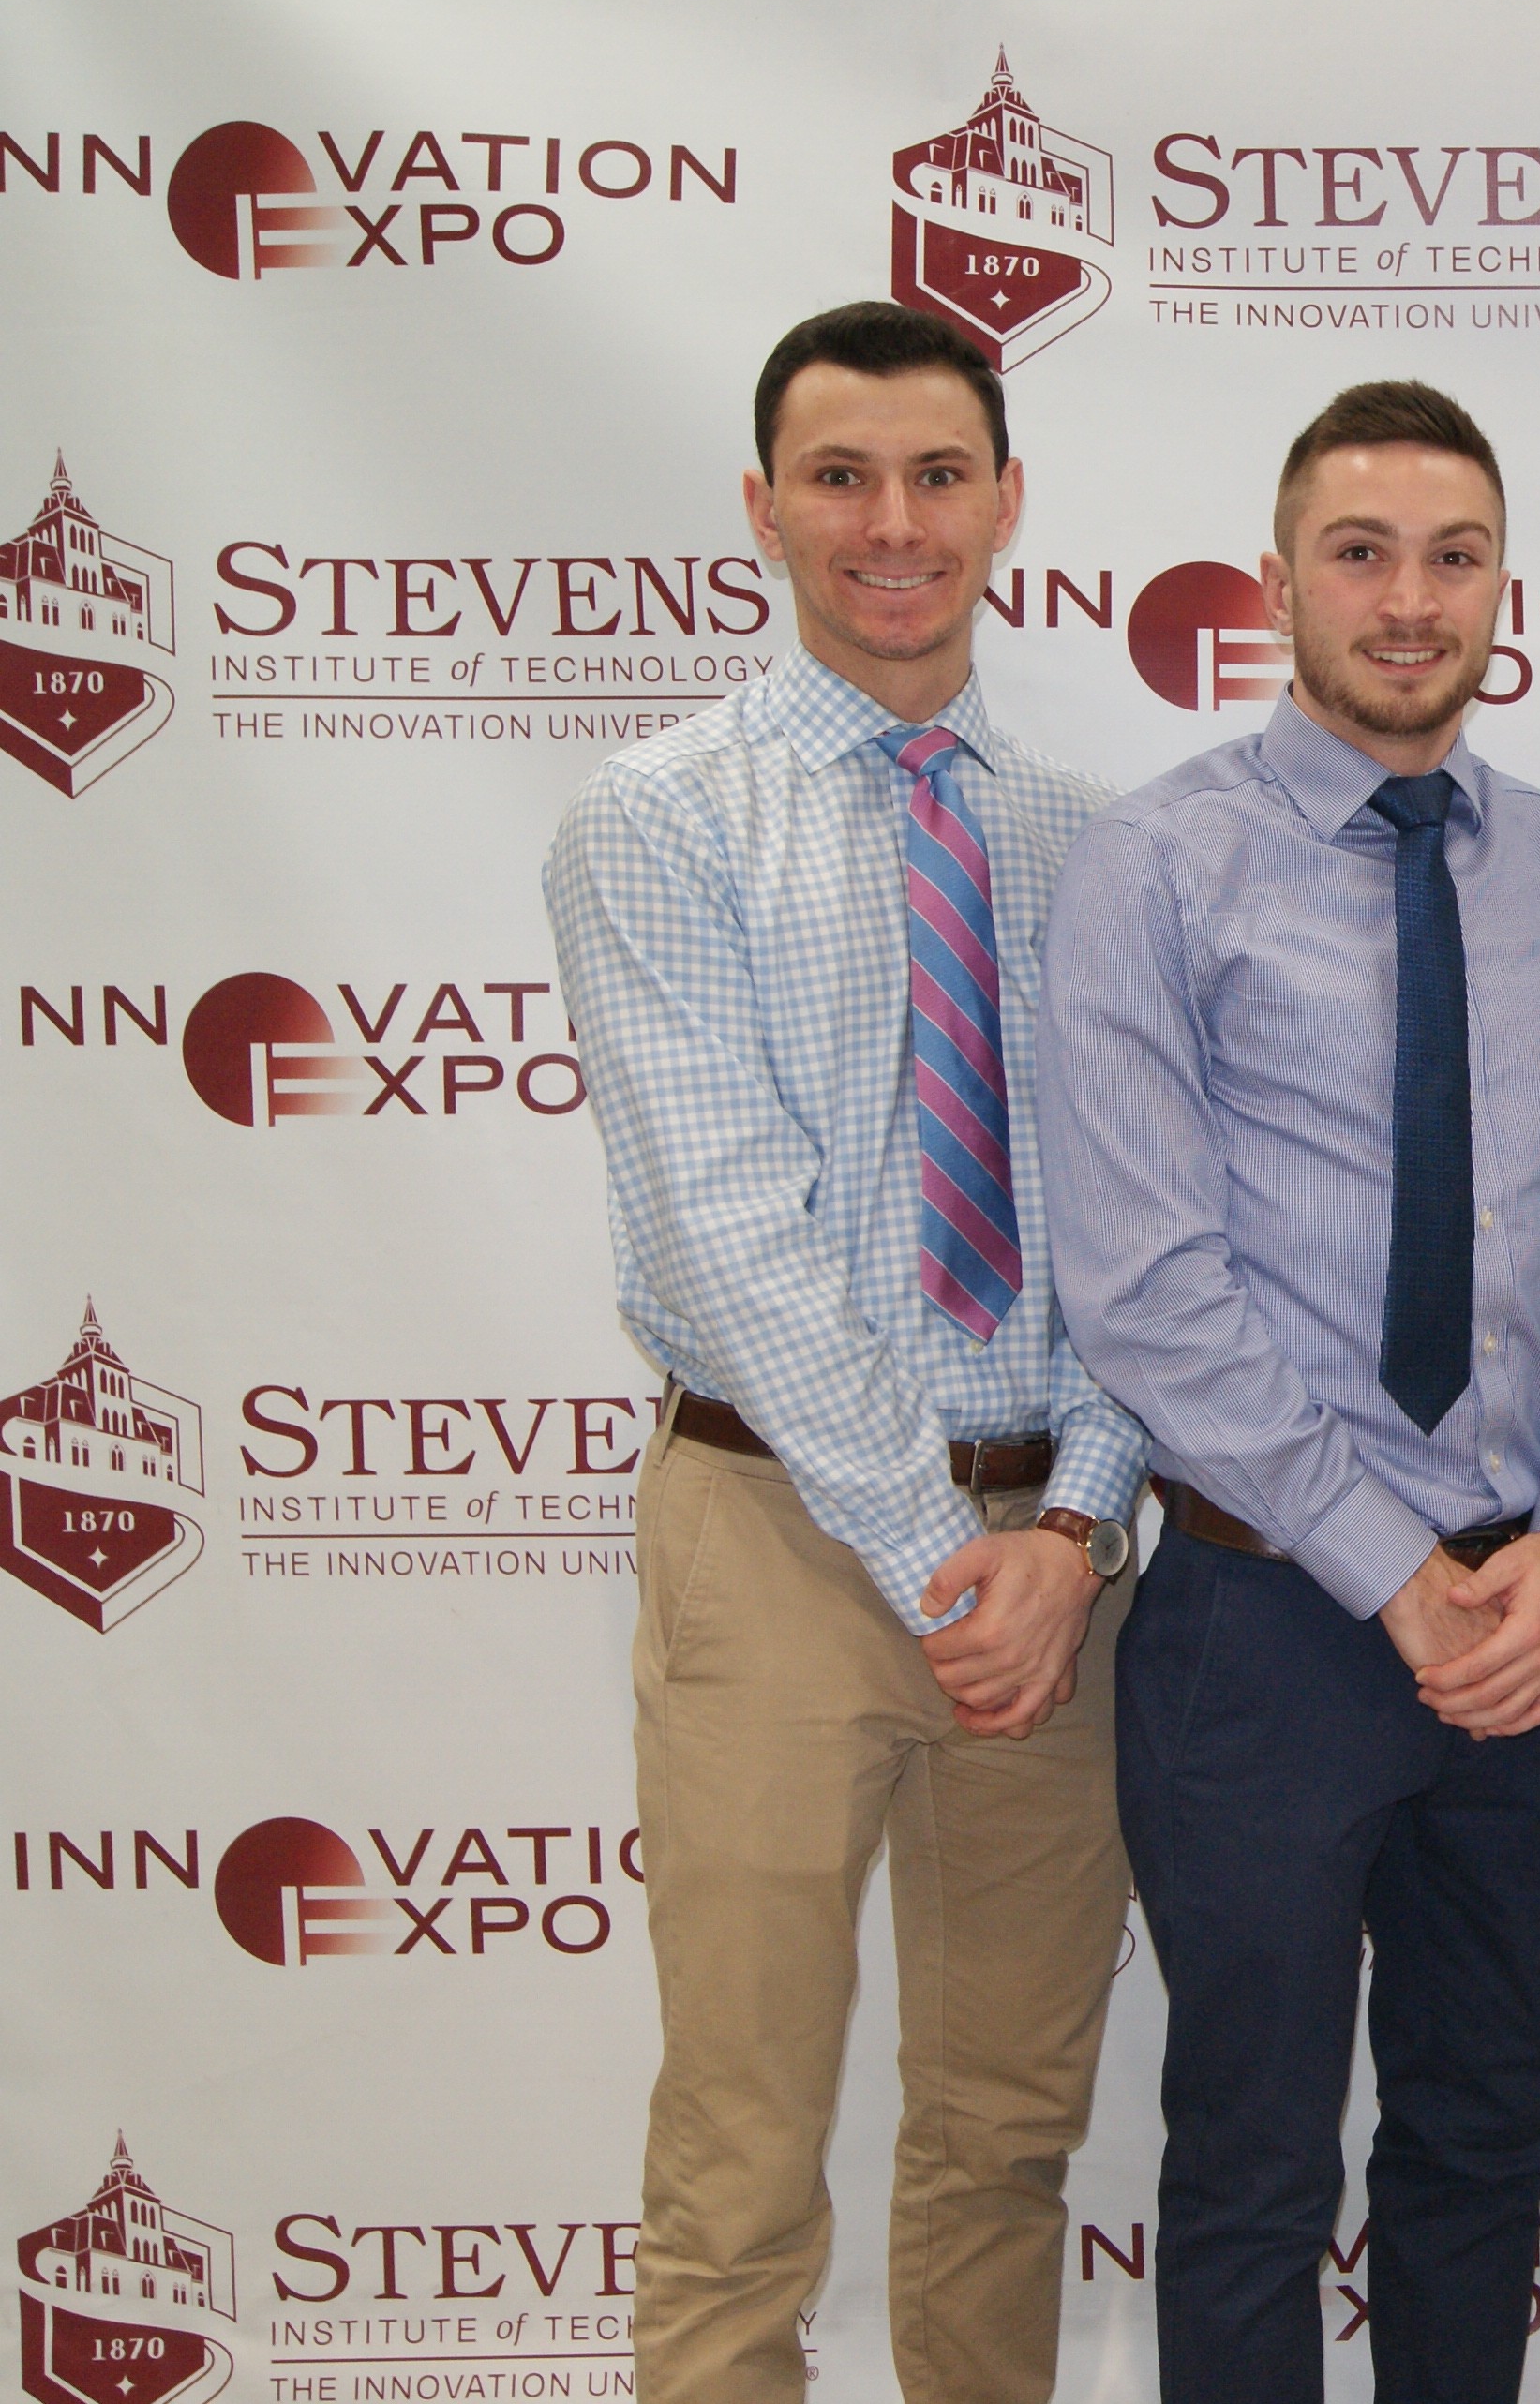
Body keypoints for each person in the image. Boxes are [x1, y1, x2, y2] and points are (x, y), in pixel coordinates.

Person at [1037, 380, 1540, 2404]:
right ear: (1274, 583)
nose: (1410, 601)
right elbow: (1147, 1296)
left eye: (1454, 555)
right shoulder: (1156, 872)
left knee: (1484, 2133)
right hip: (1267, 1620)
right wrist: (1398, 1578)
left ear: (1505, 587)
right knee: (1247, 2166)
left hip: (1528, 1626)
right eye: (1361, 552)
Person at [541, 300, 1149, 2404]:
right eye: (839, 478)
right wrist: (936, 1561)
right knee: (742, 2156)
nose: (891, 525)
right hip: (785, 1541)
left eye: (935, 476)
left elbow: (1144, 1243)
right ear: (763, 509)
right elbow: (731, 1234)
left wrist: (1072, 1523)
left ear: (1003, 506)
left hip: (1051, 1580)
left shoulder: (1091, 843)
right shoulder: (660, 817)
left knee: (1002, 2140)